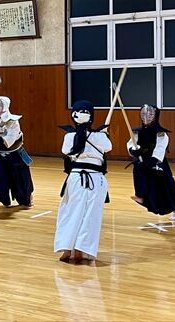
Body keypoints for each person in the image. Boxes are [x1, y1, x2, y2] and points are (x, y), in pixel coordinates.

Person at [54, 100, 111, 263]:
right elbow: (108, 147)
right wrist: (104, 134)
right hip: (96, 180)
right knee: (91, 215)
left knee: (70, 212)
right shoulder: (100, 137)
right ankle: (81, 250)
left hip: (76, 179)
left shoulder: (69, 136)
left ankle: (67, 249)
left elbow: (66, 152)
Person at [127, 104, 175, 221]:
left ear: (155, 116)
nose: (146, 117)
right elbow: (131, 143)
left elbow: (160, 148)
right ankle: (141, 196)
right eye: (144, 114)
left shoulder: (161, 133)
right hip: (142, 162)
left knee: (165, 186)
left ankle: (174, 208)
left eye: (149, 114)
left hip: (157, 162)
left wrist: (152, 161)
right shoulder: (137, 132)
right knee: (141, 178)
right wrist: (133, 150)